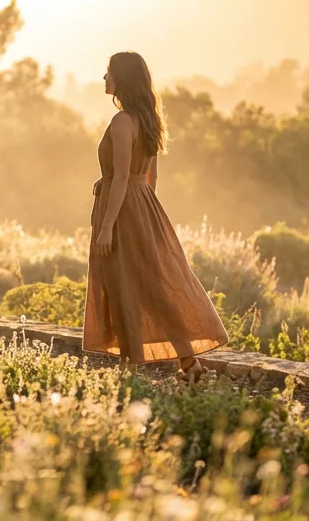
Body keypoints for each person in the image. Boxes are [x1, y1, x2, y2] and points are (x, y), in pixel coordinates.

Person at [83, 51, 228, 381]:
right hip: (141, 205)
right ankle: (188, 363)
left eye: (109, 72)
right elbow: (151, 177)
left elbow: (122, 176)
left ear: (122, 78)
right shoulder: (148, 119)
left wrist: (108, 227)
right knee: (152, 286)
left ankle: (131, 365)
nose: (104, 78)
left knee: (123, 284)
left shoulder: (122, 121)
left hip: (121, 209)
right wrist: (144, 212)